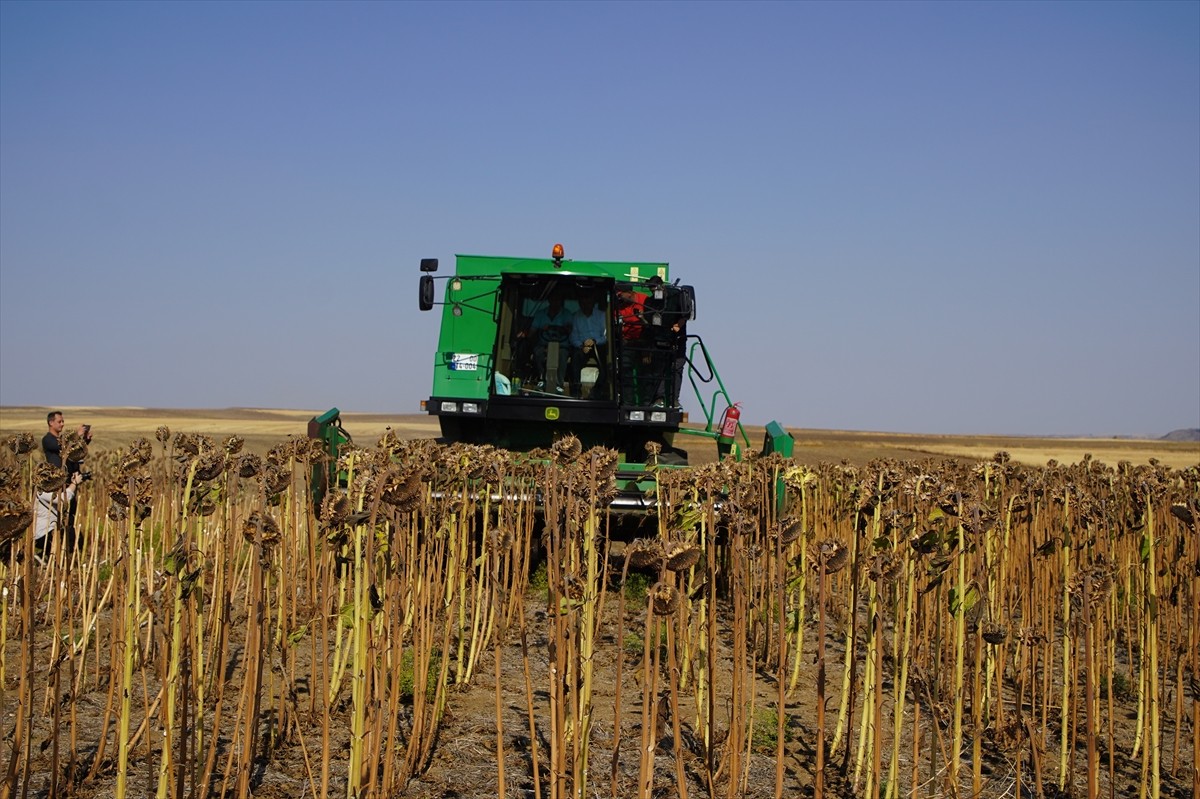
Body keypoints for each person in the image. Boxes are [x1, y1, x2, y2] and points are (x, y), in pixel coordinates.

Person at [41, 410, 90, 547]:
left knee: (70, 514)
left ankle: (69, 545)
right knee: (57, 514)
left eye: (63, 421)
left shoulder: (63, 441)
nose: (62, 424)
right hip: (56, 484)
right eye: (59, 421)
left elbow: (72, 452)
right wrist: (76, 435)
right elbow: (62, 446)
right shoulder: (48, 440)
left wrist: (84, 440)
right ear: (51, 423)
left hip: (70, 483)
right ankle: (54, 544)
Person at [644, 276, 688, 407]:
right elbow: (648, 320)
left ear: (662, 286)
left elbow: (685, 314)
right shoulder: (650, 302)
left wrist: (678, 326)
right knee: (659, 369)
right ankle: (659, 399)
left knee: (677, 368)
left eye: (655, 289)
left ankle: (674, 400)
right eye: (651, 290)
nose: (654, 292)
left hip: (677, 340)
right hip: (658, 340)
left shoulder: (677, 295)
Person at [529, 292, 573, 394]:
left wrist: (565, 328)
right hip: (543, 344)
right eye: (553, 299)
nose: (555, 302)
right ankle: (541, 380)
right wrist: (540, 329)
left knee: (562, 355)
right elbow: (531, 332)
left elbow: (570, 330)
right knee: (538, 352)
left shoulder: (567, 314)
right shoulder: (540, 314)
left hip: (562, 345)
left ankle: (558, 384)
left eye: (558, 300)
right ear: (549, 300)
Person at [35, 471, 84, 557]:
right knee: (73, 539)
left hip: (49, 530)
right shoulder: (41, 492)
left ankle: (47, 557)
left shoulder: (43, 490)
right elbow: (63, 499)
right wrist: (74, 483)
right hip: (44, 533)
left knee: (76, 537)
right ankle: (44, 557)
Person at [569, 293, 609, 397]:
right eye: (583, 303)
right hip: (583, 346)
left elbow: (605, 336)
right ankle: (576, 389)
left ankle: (597, 390)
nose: (585, 305)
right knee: (575, 358)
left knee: (606, 365)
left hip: (599, 345)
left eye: (588, 302)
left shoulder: (601, 315)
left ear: (592, 303)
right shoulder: (576, 316)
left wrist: (595, 341)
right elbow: (573, 337)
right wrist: (581, 346)